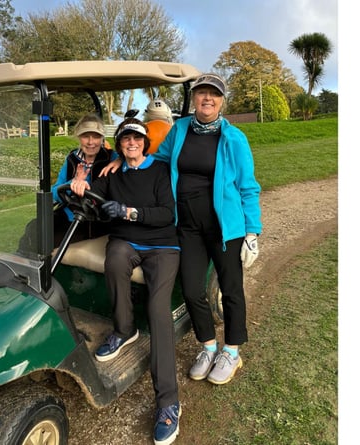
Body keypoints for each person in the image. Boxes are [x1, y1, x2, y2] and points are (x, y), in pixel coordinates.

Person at [101, 74, 262, 385]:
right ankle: (208, 345)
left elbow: (248, 187)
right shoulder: (181, 129)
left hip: (224, 226)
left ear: (221, 101)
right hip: (186, 226)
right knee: (191, 290)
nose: (207, 99)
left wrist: (252, 232)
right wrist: (124, 160)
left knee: (230, 289)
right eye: (202, 93)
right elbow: (158, 158)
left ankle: (231, 350)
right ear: (194, 99)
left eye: (213, 95)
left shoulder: (234, 139)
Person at [70, 117, 182, 445]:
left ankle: (168, 401)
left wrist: (131, 212)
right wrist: (80, 185)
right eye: (125, 139)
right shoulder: (113, 172)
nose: (131, 143)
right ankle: (124, 329)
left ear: (144, 143)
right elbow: (93, 195)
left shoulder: (159, 171)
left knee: (159, 309)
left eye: (136, 138)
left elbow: (166, 213)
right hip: (126, 243)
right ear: (118, 145)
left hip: (162, 244)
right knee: (114, 257)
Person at [17, 113, 117, 254]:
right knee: (34, 228)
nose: (90, 142)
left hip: (98, 220)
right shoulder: (72, 159)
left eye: (95, 136)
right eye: (85, 136)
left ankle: (41, 272)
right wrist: (74, 182)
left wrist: (119, 161)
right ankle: (21, 266)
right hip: (70, 215)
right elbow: (55, 192)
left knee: (47, 242)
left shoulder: (112, 158)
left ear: (102, 138)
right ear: (78, 137)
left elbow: (135, 160)